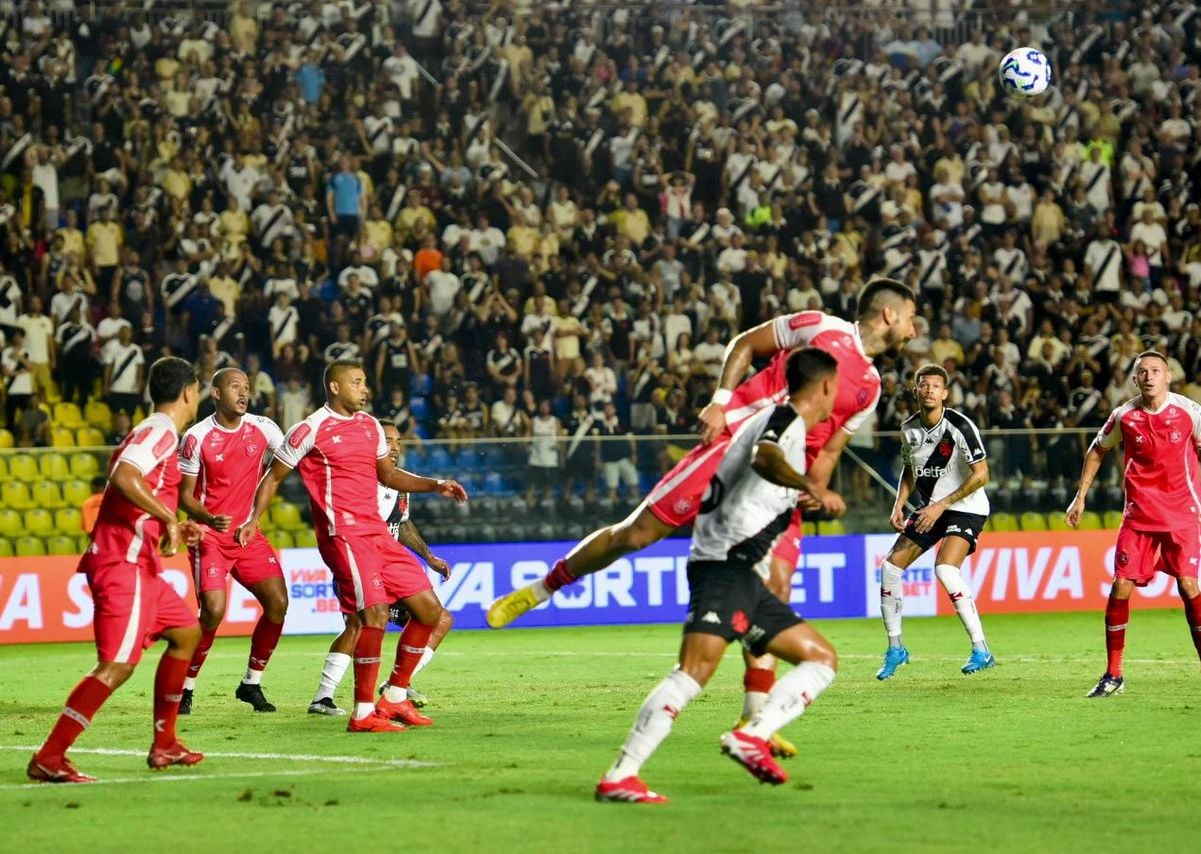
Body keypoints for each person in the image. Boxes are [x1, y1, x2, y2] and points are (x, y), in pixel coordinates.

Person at [487, 278, 916, 756]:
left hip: (782, 483)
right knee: (636, 534)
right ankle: (540, 589)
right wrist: (721, 400)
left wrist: (814, 488)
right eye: (912, 319)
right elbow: (747, 344)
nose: (915, 331)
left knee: (774, 588)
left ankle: (755, 718)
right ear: (890, 315)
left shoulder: (872, 387)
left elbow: (831, 446)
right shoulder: (820, 327)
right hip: (733, 444)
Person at [596, 348, 842, 804]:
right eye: (837, 387)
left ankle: (754, 733)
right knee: (692, 673)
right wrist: (809, 486)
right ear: (826, 385)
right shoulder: (783, 420)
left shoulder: (775, 422)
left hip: (744, 574)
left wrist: (796, 496)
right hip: (725, 566)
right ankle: (621, 774)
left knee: (821, 659)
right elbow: (765, 458)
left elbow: (759, 480)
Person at [236, 360, 467, 732]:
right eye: (357, 382)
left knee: (429, 611)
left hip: (377, 534)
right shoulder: (309, 429)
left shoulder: (371, 426)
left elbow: (388, 475)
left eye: (364, 381)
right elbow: (273, 477)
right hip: (342, 536)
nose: (365, 388)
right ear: (335, 386)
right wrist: (252, 520)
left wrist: (434, 484)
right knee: (371, 617)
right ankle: (362, 715)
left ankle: (394, 697)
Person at [27, 357, 206, 784]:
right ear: (187, 392)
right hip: (122, 563)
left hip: (141, 565)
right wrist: (167, 515)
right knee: (116, 666)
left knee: (186, 633)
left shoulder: (158, 432)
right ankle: (49, 756)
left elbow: (132, 489)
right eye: (197, 389)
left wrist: (173, 524)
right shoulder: (161, 430)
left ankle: (165, 742)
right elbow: (124, 475)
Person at [1066, 351, 1201, 698]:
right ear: (1135, 379)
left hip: (1182, 516)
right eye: (1143, 372)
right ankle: (1113, 674)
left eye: (1156, 370)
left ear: (1168, 376)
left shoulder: (1190, 412)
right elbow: (1097, 450)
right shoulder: (1124, 415)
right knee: (1121, 587)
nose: (1150, 376)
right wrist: (1080, 496)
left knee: (1188, 586)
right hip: (1139, 517)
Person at [308, 421, 453, 715]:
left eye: (398, 441)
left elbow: (403, 524)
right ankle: (324, 698)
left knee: (439, 619)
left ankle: (397, 686)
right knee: (358, 625)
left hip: (389, 567)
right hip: (358, 562)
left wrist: (429, 557)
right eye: (387, 440)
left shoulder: (401, 482)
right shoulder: (359, 478)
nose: (395, 447)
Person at [176, 368, 288, 715]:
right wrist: (209, 518)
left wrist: (255, 519)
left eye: (247, 388)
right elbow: (184, 496)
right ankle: (185, 686)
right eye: (235, 387)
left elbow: (284, 467)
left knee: (278, 603)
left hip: (247, 535)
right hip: (209, 535)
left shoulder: (264, 428)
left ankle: (251, 683)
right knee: (213, 611)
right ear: (216, 393)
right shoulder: (196, 437)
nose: (244, 393)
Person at [877, 364, 996, 680]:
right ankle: (895, 648)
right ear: (915, 390)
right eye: (923, 384)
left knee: (945, 569)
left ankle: (981, 649)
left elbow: (982, 474)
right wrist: (899, 504)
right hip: (930, 508)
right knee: (889, 569)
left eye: (935, 386)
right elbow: (910, 470)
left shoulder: (959, 426)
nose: (929, 389)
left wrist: (941, 505)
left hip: (965, 508)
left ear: (945, 393)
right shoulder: (909, 429)